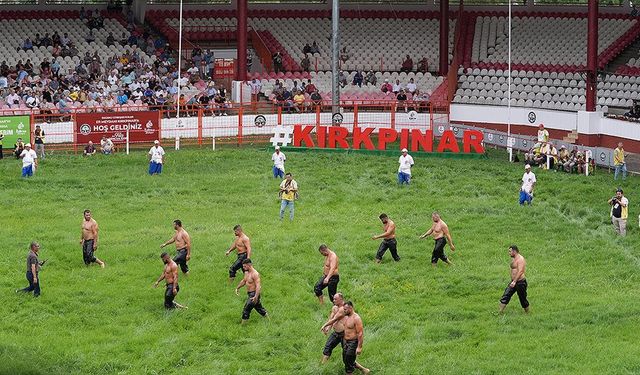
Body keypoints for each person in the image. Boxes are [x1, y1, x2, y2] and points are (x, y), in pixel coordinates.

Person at [320, 293, 370, 374]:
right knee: (328, 348)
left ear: (341, 299)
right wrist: (328, 327)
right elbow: (332, 318)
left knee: (348, 358)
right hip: (337, 334)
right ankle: (322, 368)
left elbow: (360, 333)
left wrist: (359, 347)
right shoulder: (335, 308)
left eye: (335, 299)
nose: (333, 300)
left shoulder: (347, 313)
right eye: (333, 299)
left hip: (346, 336)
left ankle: (363, 369)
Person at [235, 259, 268, 324]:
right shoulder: (246, 272)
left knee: (246, 310)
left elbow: (258, 286)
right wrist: (237, 288)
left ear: (249, 265)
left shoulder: (255, 274)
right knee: (259, 309)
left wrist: (256, 296)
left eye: (245, 266)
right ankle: (269, 321)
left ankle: (243, 326)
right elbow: (244, 281)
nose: (243, 268)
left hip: (254, 294)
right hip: (250, 294)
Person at [499, 245, 529, 314]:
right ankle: (500, 312)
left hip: (520, 282)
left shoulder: (520, 259)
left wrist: (515, 281)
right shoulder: (513, 258)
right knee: (506, 295)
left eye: (510, 251)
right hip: (513, 281)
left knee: (522, 298)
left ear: (514, 251)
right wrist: (512, 280)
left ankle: (528, 313)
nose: (509, 253)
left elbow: (521, 271)